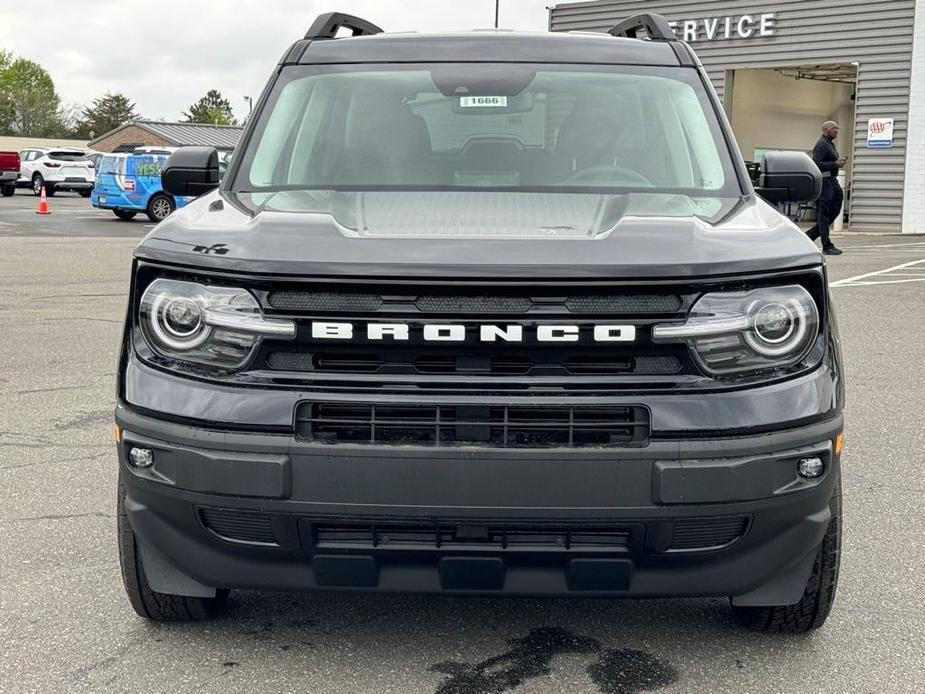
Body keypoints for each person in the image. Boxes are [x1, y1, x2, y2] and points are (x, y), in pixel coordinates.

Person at [805, 121, 845, 255]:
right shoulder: (822, 144)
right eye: (834, 129)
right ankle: (826, 246)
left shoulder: (830, 144)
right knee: (824, 214)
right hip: (824, 181)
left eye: (837, 129)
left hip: (832, 181)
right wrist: (834, 164)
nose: (836, 131)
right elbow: (815, 163)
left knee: (834, 210)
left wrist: (836, 164)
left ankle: (809, 236)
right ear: (826, 129)